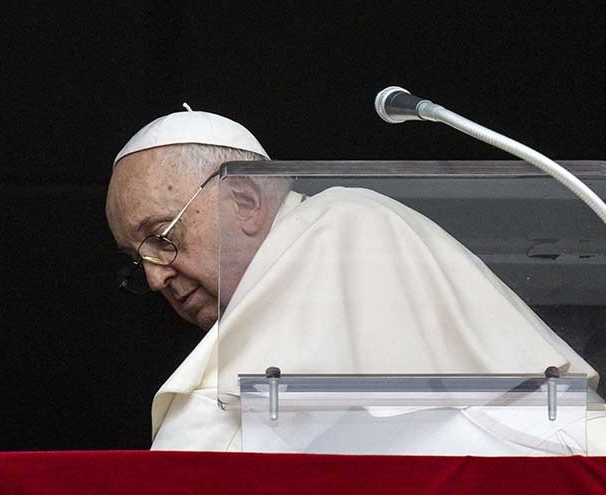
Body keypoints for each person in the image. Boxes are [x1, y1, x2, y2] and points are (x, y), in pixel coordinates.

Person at [106, 107, 602, 452]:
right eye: (136, 258)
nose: (154, 277)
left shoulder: (340, 227)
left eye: (160, 236)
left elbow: (198, 456)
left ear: (247, 201)